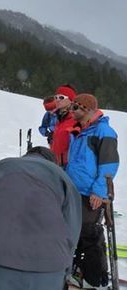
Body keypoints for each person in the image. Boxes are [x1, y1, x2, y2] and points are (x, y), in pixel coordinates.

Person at [0, 146, 82, 290]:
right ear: (52, 162)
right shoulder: (62, 177)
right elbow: (72, 229)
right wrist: (65, 270)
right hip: (48, 268)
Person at [66, 93, 119, 289]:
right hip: (75, 190)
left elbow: (108, 165)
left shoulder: (104, 132)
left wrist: (99, 192)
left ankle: (94, 279)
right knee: (76, 231)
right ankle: (80, 269)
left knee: (90, 235)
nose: (72, 111)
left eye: (75, 108)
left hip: (91, 194)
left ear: (86, 109)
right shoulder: (81, 131)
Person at [51, 84, 77, 167]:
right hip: (55, 166)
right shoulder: (59, 119)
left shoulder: (76, 120)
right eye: (56, 97)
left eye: (61, 97)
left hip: (68, 169)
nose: (57, 100)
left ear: (71, 100)